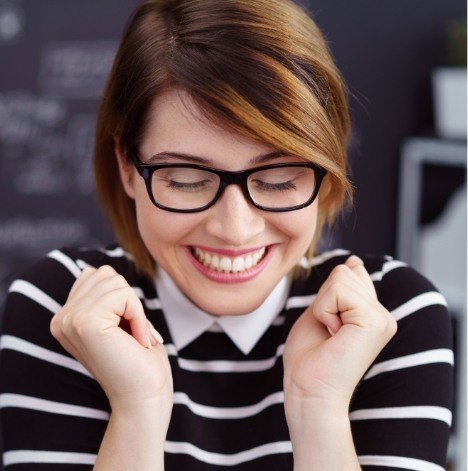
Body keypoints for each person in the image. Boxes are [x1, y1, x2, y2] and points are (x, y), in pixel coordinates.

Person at [0, 0, 453, 469]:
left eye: (279, 178)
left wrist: (318, 407)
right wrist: (138, 409)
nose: (235, 230)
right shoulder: (66, 313)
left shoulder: (388, 317)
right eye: (186, 179)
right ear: (127, 168)